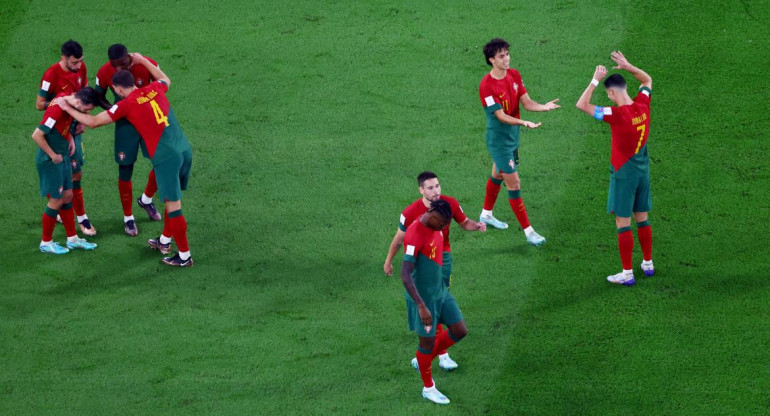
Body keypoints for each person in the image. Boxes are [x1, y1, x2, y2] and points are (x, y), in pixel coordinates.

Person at [59, 53, 194, 267]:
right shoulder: (153, 88)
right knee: (172, 201)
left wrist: (67, 108)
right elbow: (166, 79)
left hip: (166, 157)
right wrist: (142, 60)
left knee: (173, 207)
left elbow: (93, 121)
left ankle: (185, 256)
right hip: (184, 149)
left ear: (118, 89)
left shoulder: (126, 104)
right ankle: (164, 241)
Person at [384, 171, 485, 370]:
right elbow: (399, 239)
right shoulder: (410, 213)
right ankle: (441, 354)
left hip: (442, 258)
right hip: (420, 262)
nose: (436, 191)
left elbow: (464, 223)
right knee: (432, 303)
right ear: (421, 190)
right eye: (430, 188)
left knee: (437, 301)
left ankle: (432, 353)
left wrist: (477, 225)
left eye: (437, 186)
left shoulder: (449, 204)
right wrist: (388, 261)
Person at [575, 51, 655, 285]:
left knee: (623, 222)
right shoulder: (643, 104)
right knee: (642, 217)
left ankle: (627, 273)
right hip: (642, 171)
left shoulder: (614, 114)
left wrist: (594, 80)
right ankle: (648, 264)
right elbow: (647, 80)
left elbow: (582, 104)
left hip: (623, 174)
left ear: (611, 93)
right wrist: (628, 65)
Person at [477, 37, 560, 246]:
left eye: (507, 54)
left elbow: (527, 101)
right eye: (501, 56)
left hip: (513, 137)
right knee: (513, 183)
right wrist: (524, 122)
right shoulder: (486, 86)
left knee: (497, 173)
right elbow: (500, 116)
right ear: (491, 60)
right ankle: (529, 232)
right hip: (499, 141)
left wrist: (543, 107)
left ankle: (486, 214)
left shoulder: (514, 75)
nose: (506, 59)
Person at [401, 199, 466, 405]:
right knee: (426, 343)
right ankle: (428, 388)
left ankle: (422, 359)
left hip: (440, 292)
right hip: (423, 300)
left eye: (447, 223)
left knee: (459, 330)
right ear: (431, 214)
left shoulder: (437, 226)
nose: (444, 226)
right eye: (442, 222)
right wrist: (421, 306)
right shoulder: (414, 235)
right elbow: (405, 275)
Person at [94, 44, 162, 236]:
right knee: (125, 169)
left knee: (160, 162)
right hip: (126, 126)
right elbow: (98, 95)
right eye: (114, 65)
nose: (118, 69)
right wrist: (115, 111)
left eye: (121, 64)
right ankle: (128, 217)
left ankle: (146, 199)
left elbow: (162, 82)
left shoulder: (146, 63)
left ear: (128, 57)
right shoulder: (104, 71)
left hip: (149, 123)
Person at [36, 39, 96, 236]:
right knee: (63, 175)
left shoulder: (81, 68)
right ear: (63, 58)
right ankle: (60, 214)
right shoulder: (51, 74)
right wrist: (60, 104)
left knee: (77, 173)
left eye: (80, 62)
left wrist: (80, 119)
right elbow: (39, 104)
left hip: (73, 132)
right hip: (59, 133)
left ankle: (81, 216)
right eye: (74, 63)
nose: (78, 66)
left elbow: (85, 90)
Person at [32, 88, 99, 254]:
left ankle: (72, 239)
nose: (86, 112)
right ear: (78, 102)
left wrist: (70, 139)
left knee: (68, 195)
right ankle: (46, 243)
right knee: (56, 200)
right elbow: (37, 135)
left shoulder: (67, 99)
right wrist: (53, 155)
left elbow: (66, 125)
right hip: (51, 161)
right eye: (87, 109)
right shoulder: (56, 110)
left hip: (64, 156)